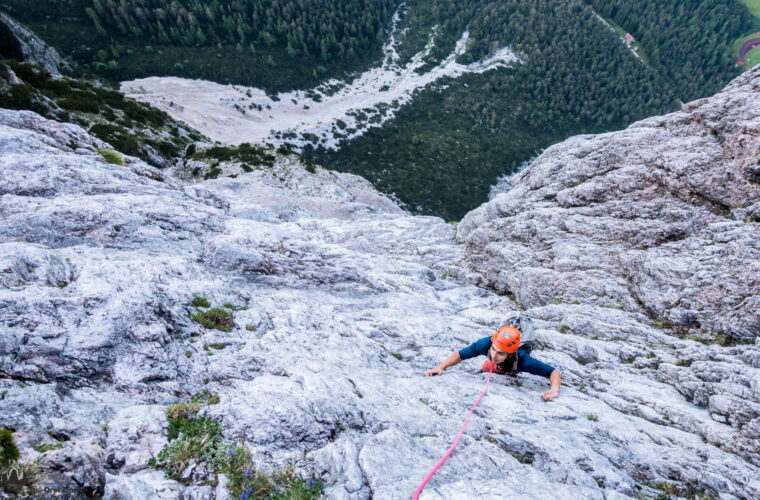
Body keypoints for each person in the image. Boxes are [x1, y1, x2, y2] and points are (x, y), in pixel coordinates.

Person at [425, 326, 561, 401]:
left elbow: (553, 372)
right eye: (494, 350)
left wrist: (554, 389)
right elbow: (460, 355)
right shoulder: (486, 344)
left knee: (491, 367)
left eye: (500, 353)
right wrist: (441, 367)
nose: (494, 355)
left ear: (511, 354)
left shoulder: (523, 360)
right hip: (506, 347)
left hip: (516, 358)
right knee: (487, 366)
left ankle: (508, 370)